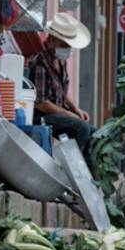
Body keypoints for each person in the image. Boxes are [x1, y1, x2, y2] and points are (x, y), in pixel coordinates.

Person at [28, 12, 96, 157]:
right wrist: (68, 114)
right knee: (81, 128)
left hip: (58, 114)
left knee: (93, 132)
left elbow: (62, 93)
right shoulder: (40, 62)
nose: (67, 48)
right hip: (42, 116)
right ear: (52, 40)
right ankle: (73, 167)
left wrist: (76, 110)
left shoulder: (60, 61)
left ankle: (90, 173)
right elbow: (41, 103)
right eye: (64, 44)